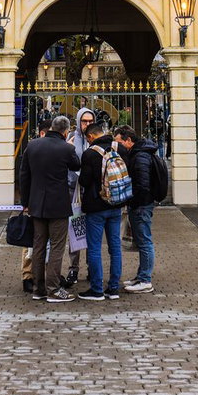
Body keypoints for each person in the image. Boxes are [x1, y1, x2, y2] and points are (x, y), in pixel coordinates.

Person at [17, 114, 80, 303]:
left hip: (36, 204)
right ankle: (53, 289)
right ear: (66, 131)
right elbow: (76, 165)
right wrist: (70, 146)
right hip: (58, 206)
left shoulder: (33, 146)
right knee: (57, 248)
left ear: (51, 127)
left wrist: (25, 202)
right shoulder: (66, 148)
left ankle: (38, 288)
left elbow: (24, 175)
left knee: (38, 246)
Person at [77, 120, 127, 301]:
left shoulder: (90, 154)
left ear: (91, 136)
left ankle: (97, 289)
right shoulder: (119, 148)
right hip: (116, 204)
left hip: (96, 207)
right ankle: (113, 288)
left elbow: (83, 181)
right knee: (115, 247)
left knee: (95, 248)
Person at [116, 125, 162, 294]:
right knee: (143, 241)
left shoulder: (140, 156)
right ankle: (141, 276)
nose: (118, 146)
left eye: (119, 142)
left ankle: (145, 280)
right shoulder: (139, 153)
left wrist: (133, 201)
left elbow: (142, 184)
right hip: (141, 204)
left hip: (141, 205)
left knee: (145, 242)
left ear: (128, 140)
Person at [64, 106, 97, 289]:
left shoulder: (97, 139)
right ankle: (73, 268)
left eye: (90, 121)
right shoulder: (71, 139)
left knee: (93, 230)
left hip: (91, 192)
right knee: (75, 230)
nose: (87, 124)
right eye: (84, 121)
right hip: (73, 190)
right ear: (78, 122)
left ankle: (92, 267)